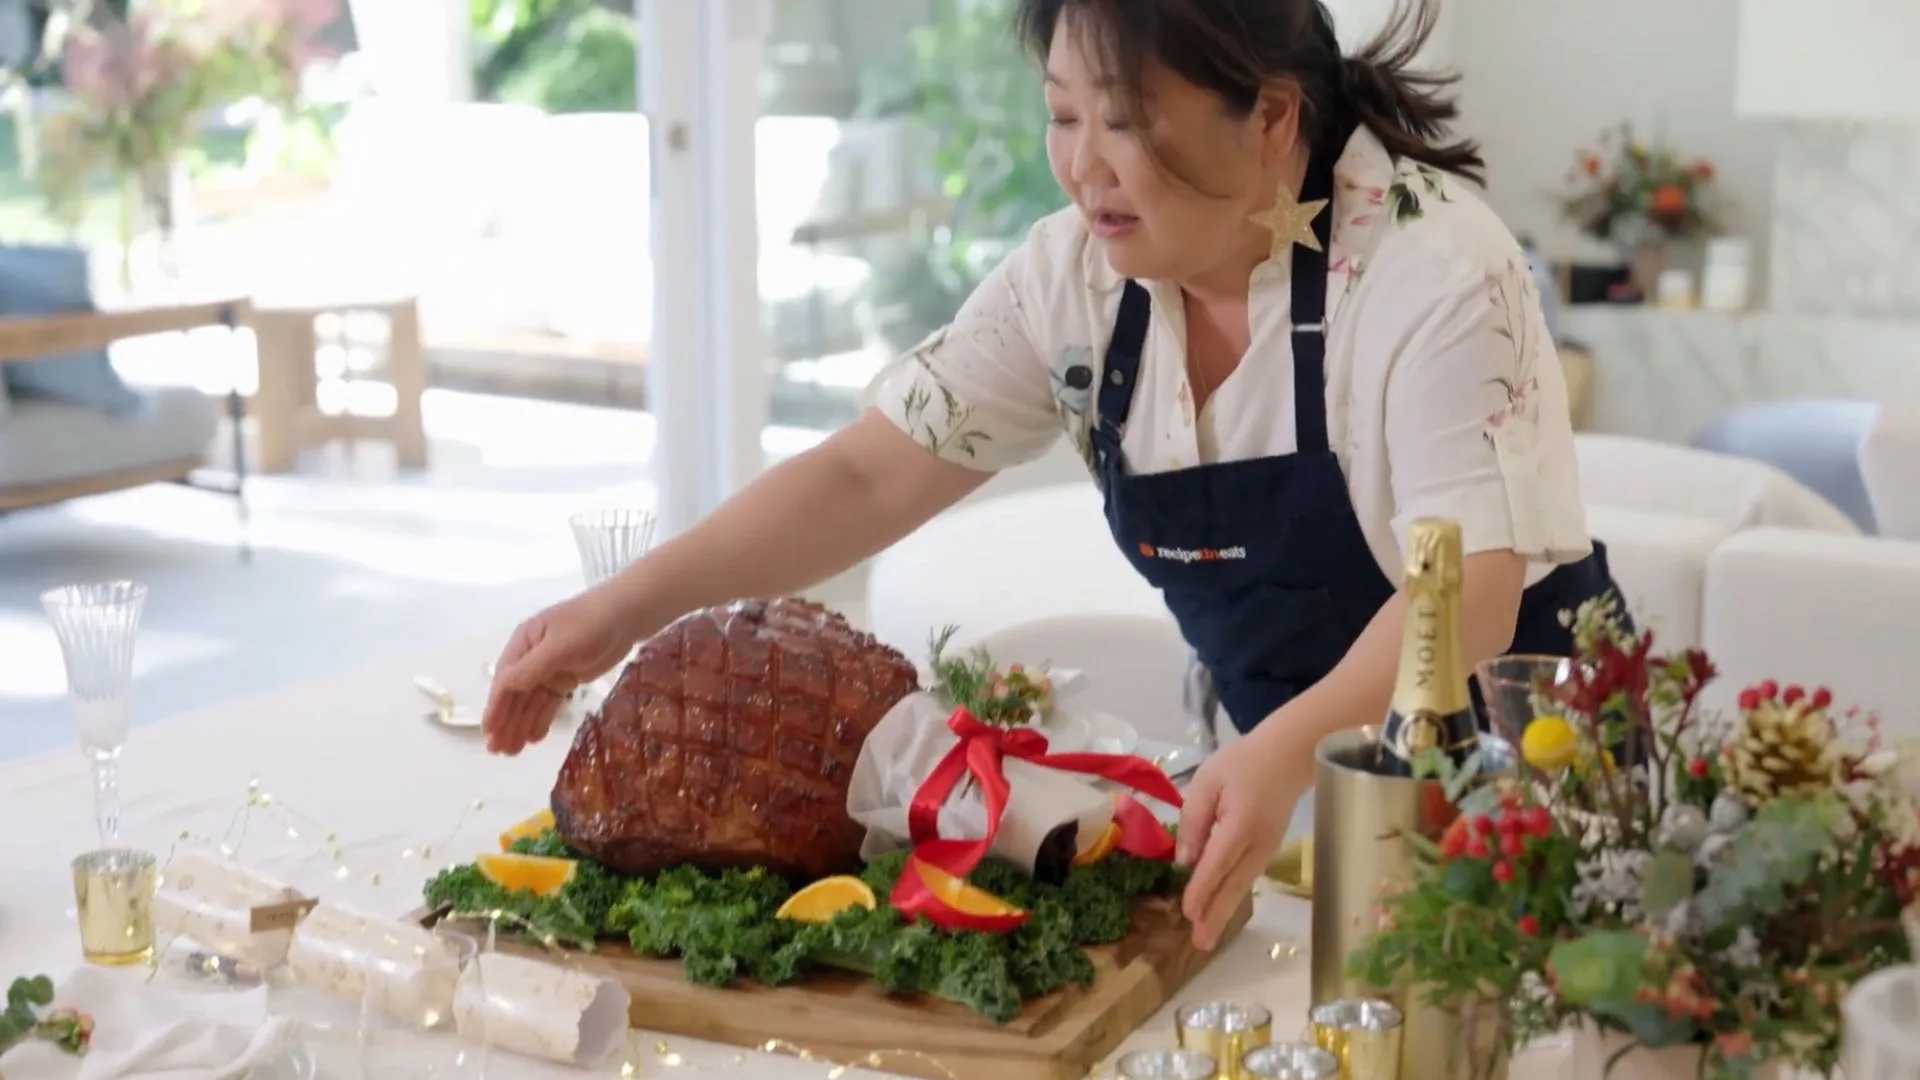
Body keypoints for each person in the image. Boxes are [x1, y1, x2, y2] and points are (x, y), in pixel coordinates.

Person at [480, 0, 1623, 953]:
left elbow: (1467, 593)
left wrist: (1280, 752)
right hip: (1282, 807)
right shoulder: (1076, 283)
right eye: (1062, 116)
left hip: (1532, 790)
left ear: (1273, 115)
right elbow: (870, 475)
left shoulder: (1431, 265)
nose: (1083, 167)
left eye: (1123, 122)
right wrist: (621, 609)